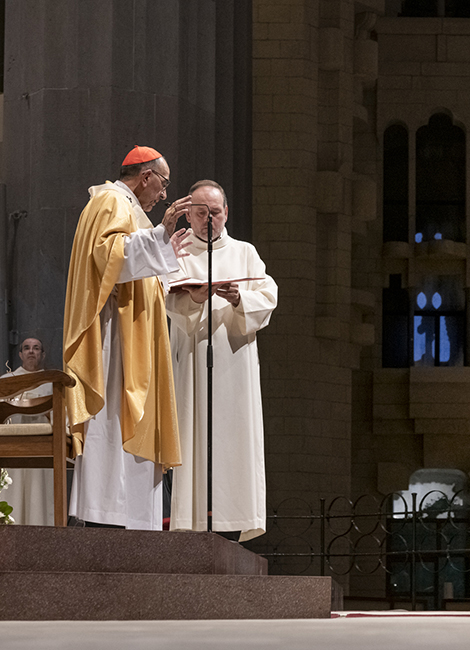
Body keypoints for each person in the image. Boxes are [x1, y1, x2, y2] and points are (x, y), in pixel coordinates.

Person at [65, 145, 192, 529]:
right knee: (115, 421)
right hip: (115, 340)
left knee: (130, 421)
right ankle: (108, 516)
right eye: (163, 184)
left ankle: (129, 519)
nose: (164, 194)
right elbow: (109, 259)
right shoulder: (111, 201)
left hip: (133, 334)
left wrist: (167, 259)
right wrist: (160, 235)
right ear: (146, 176)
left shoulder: (126, 207)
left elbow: (139, 268)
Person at [165, 180, 277, 541]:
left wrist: (239, 297)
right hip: (193, 359)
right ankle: (191, 524)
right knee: (193, 437)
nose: (208, 219)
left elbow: (268, 297)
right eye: (200, 212)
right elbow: (167, 299)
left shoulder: (245, 251)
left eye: (214, 212)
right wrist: (195, 298)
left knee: (233, 443)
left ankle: (230, 523)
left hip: (234, 361)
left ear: (226, 212)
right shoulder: (177, 251)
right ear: (189, 213)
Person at [0, 337, 54, 525]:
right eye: (27, 348)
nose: (31, 351)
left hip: (44, 448)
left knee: (39, 494)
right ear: (20, 354)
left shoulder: (53, 382)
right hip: (12, 447)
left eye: (36, 348)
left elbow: (63, 417)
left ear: (43, 354)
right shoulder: (6, 381)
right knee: (12, 492)